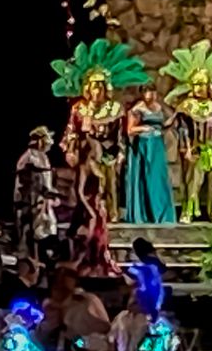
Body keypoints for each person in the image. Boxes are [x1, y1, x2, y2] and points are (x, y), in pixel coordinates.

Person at [54, 38, 151, 222]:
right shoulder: (79, 108)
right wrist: (70, 150)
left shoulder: (115, 108)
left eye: (100, 86)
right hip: (85, 153)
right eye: (93, 86)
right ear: (87, 88)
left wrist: (121, 152)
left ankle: (111, 213)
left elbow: (120, 134)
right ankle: (88, 214)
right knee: (85, 186)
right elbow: (71, 130)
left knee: (109, 184)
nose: (97, 90)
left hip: (108, 152)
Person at [163, 41, 212, 224]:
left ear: (210, 86)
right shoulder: (187, 106)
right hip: (196, 150)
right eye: (197, 84)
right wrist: (186, 149)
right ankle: (188, 212)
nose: (200, 88)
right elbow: (182, 129)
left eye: (203, 84)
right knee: (193, 183)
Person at [70, 135, 122, 276]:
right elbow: (80, 192)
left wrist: (103, 205)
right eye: (97, 149)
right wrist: (89, 210)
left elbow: (102, 190)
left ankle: (100, 263)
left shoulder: (98, 167)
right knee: (92, 237)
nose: (100, 152)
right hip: (89, 206)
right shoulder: (83, 168)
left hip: (99, 205)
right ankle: (87, 263)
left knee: (102, 236)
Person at [125, 87, 176, 224]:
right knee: (148, 178)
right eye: (149, 92)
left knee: (159, 177)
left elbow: (162, 125)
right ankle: (146, 214)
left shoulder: (159, 107)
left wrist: (170, 122)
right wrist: (143, 128)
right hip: (145, 145)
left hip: (157, 145)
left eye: (154, 92)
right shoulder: (138, 109)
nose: (152, 95)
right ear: (143, 94)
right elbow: (130, 130)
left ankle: (162, 215)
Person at [15, 127, 60, 262]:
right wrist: (47, 192)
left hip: (40, 198)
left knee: (42, 228)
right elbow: (35, 179)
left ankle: (39, 257)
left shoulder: (42, 156)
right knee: (32, 229)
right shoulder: (31, 156)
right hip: (31, 199)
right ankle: (31, 258)